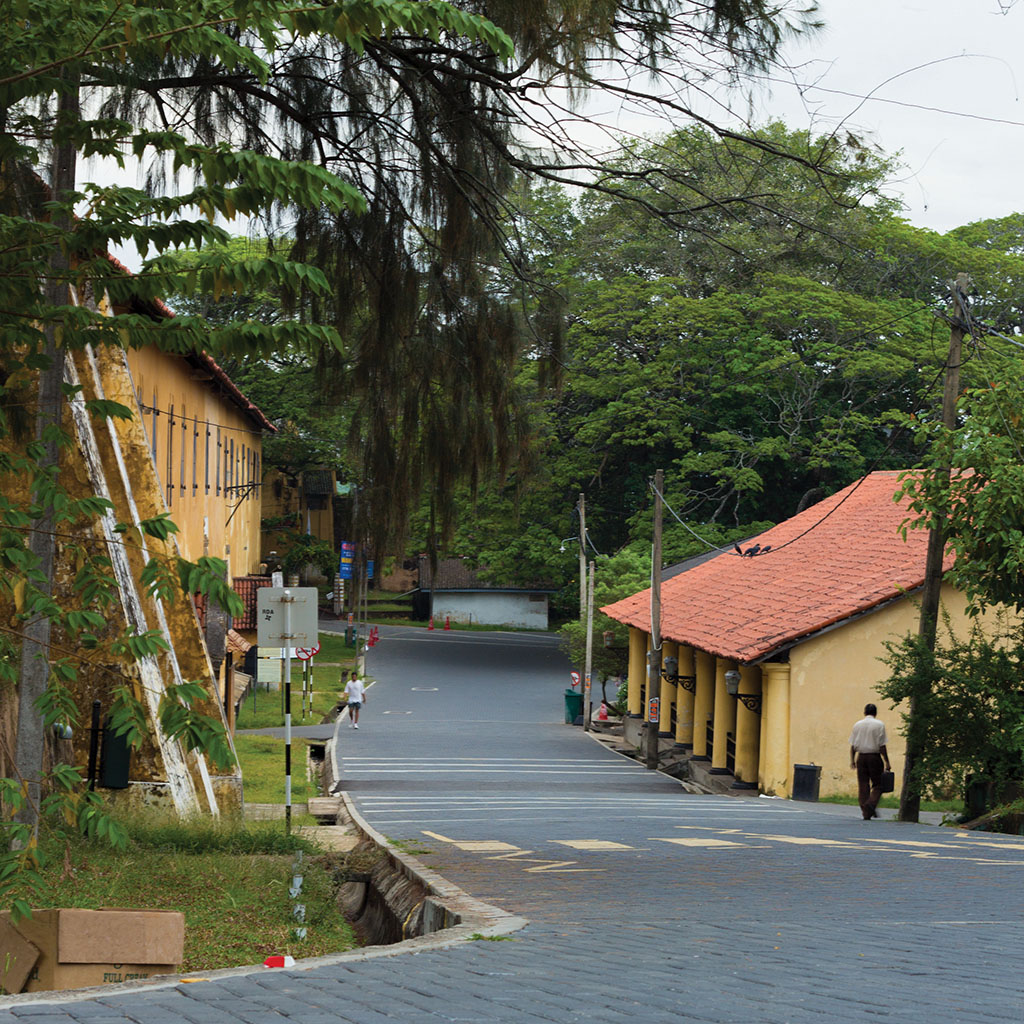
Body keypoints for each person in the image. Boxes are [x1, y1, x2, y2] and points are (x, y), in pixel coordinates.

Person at [849, 703, 892, 820]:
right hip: (874, 757)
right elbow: (882, 745)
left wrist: (852, 760)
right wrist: (887, 761)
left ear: (864, 712)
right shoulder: (879, 725)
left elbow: (853, 745)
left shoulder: (857, 725)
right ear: (875, 713)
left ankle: (865, 811)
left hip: (861, 757)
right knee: (878, 784)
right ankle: (870, 805)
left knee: (863, 784)